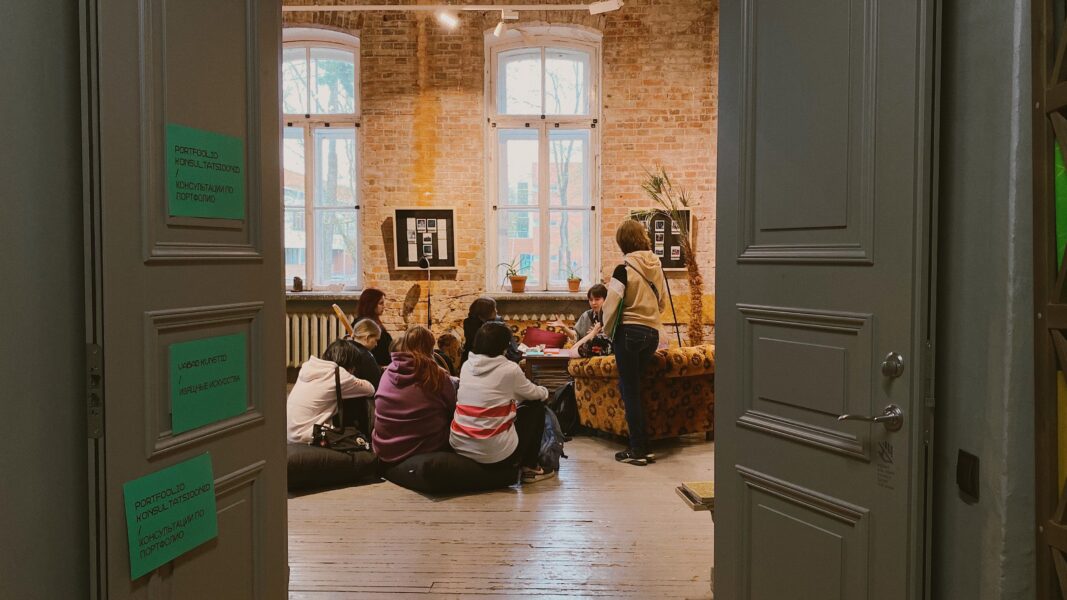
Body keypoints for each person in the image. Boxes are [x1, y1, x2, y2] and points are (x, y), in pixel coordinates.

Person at [450, 321, 555, 483]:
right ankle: (530, 468)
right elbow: (535, 394)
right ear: (504, 346)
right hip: (494, 454)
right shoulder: (509, 369)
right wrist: (545, 392)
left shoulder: (466, 366)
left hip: (460, 446)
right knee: (536, 407)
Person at [601, 220, 667, 466]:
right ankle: (645, 446)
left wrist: (608, 331)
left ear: (622, 242)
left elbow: (611, 305)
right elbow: (662, 303)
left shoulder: (623, 269)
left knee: (629, 390)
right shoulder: (657, 266)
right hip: (652, 333)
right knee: (635, 388)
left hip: (628, 332)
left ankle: (638, 449)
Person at [372, 326, 458, 466]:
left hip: (384, 448)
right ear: (430, 348)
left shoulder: (387, 372)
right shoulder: (436, 374)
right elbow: (452, 410)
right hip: (423, 450)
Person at [287, 339, 376, 444]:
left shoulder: (309, 368)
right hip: (308, 436)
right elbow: (370, 389)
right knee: (360, 400)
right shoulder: (338, 374)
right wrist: (353, 377)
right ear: (349, 363)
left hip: (290, 434)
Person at [462, 297, 522, 364]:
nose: (496, 311)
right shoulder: (469, 323)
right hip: (476, 357)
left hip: (499, 353)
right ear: (484, 313)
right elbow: (475, 345)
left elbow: (509, 341)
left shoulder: (498, 320)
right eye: (494, 309)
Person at [355, 288, 393, 367]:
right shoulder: (364, 325)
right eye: (381, 303)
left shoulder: (374, 322)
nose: (384, 306)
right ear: (371, 304)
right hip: (377, 366)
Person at [349, 318, 383, 390]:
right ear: (368, 337)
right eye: (376, 340)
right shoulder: (366, 356)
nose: (376, 344)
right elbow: (376, 383)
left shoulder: (344, 349)